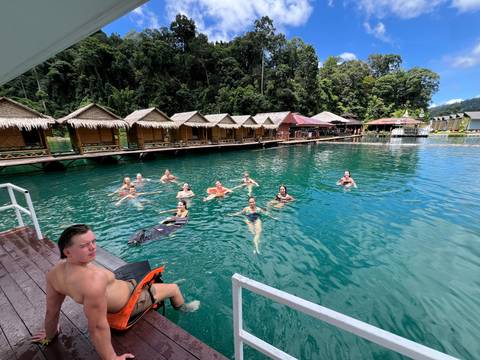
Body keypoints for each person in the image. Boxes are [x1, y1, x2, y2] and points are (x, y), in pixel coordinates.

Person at [32, 224, 199, 359]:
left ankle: (150, 288)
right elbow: (97, 327)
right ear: (67, 251)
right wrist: (111, 357)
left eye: (93, 242)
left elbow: (51, 310)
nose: (92, 248)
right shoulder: (93, 281)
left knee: (138, 274)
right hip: (131, 301)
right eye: (84, 245)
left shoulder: (55, 273)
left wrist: (49, 335)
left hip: (120, 288)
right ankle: (184, 308)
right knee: (174, 288)